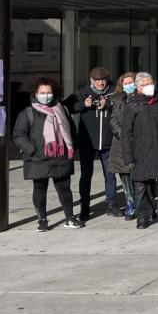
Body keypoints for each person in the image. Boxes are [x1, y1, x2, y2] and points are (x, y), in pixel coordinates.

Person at [14, 77, 81, 231]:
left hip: (61, 157)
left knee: (65, 188)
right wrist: (32, 150)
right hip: (38, 158)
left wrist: (72, 148)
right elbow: (19, 134)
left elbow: (72, 130)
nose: (46, 95)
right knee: (39, 189)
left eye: (48, 92)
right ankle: (42, 219)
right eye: (42, 92)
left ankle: (70, 217)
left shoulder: (62, 110)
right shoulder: (28, 112)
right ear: (35, 93)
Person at [122, 72, 158, 229]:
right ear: (138, 87)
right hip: (141, 153)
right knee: (142, 186)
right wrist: (128, 157)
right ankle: (143, 216)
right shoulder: (132, 105)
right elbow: (126, 133)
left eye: (151, 83)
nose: (149, 86)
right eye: (145, 84)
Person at [65, 66, 118, 221]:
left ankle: (111, 205)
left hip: (108, 142)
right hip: (87, 143)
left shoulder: (114, 93)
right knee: (86, 175)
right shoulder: (82, 93)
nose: (100, 83)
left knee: (110, 175)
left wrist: (108, 105)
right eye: (97, 80)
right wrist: (83, 105)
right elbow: (65, 107)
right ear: (91, 81)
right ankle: (85, 208)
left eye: (103, 80)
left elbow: (125, 106)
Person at [108, 72, 137, 220]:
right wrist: (124, 135)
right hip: (120, 144)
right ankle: (130, 204)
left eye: (130, 82)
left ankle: (143, 203)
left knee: (138, 175)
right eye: (125, 83)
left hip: (139, 142)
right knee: (124, 175)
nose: (128, 85)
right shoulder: (117, 99)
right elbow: (113, 121)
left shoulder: (141, 98)